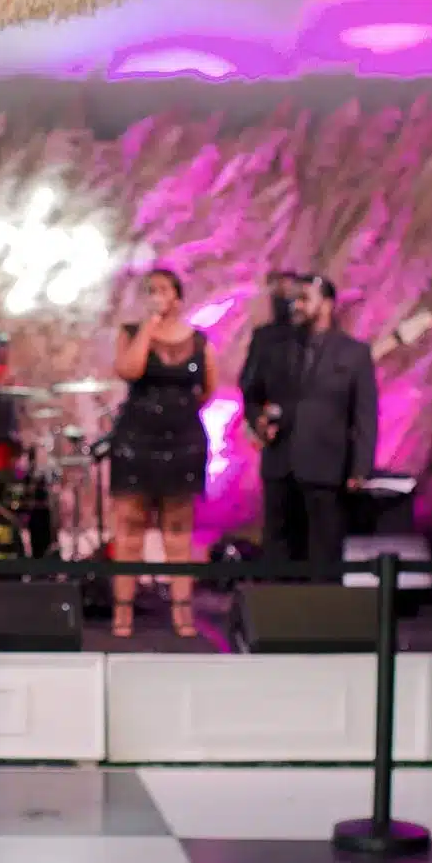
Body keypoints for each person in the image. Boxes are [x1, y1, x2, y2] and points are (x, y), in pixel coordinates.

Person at [107, 267, 217, 640]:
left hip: (182, 442)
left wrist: (178, 413)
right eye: (150, 290)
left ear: (178, 297)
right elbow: (129, 370)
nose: (156, 295)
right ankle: (123, 613)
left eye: (163, 290)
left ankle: (182, 612)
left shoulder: (200, 342)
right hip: (136, 439)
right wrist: (149, 329)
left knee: (177, 531)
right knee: (130, 528)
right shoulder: (132, 333)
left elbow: (208, 390)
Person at [283, 274, 379, 576]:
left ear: (326, 304)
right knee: (288, 550)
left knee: (325, 551)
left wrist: (360, 468)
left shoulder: (354, 353)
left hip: (328, 467)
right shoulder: (285, 349)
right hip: (285, 466)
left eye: (305, 298)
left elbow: (365, 414)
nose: (297, 306)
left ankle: (324, 613)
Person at [240, 268, 308, 567]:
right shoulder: (265, 338)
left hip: (318, 447)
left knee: (315, 527)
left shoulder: (323, 339)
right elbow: (250, 389)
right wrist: (258, 420)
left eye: (293, 293)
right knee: (277, 523)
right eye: (279, 293)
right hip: (279, 445)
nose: (287, 300)